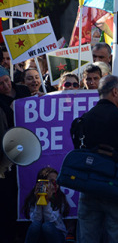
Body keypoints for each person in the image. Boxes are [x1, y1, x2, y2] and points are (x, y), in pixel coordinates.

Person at [70, 75, 118, 243]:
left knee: (87, 238)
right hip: (117, 189)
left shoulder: (82, 121)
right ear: (115, 91)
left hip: (89, 190)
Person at [0, 66, 31, 243]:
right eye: (0, 84)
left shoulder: (22, 90)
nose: (5, 86)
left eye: (6, 81)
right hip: (10, 155)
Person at [23, 166, 69, 243]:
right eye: (50, 181)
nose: (55, 184)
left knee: (47, 226)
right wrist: (39, 200)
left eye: (56, 181)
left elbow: (50, 221)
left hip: (56, 234)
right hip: (39, 236)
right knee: (35, 225)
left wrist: (47, 202)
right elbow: (36, 220)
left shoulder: (60, 198)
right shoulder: (33, 197)